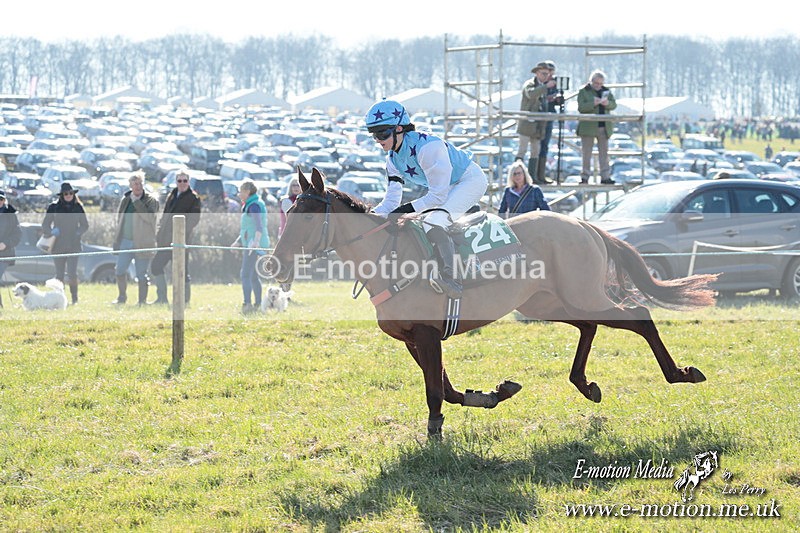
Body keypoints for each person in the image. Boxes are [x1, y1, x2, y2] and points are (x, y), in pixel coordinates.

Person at [365, 99, 487, 298]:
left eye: (382, 133)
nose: (378, 140)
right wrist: (369, 218)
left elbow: (437, 196)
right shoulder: (393, 160)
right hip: (448, 188)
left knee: (434, 221)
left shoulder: (427, 148)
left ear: (399, 129)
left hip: (469, 181)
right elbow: (391, 203)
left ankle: (452, 279)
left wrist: (404, 211)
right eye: (374, 135)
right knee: (421, 223)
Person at [150, 170, 202, 305]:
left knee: (182, 271)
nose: (182, 183)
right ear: (176, 182)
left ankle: (184, 301)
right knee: (156, 266)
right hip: (165, 240)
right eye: (180, 181)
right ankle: (162, 298)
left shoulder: (194, 198)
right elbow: (165, 215)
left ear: (188, 182)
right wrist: (160, 231)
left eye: (185, 181)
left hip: (181, 241)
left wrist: (180, 235)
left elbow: (194, 220)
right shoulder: (172, 194)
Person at [112, 173, 159, 305]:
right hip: (125, 241)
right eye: (135, 184)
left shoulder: (151, 201)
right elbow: (119, 220)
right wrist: (117, 240)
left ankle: (142, 302)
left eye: (140, 183)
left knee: (141, 274)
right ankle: (122, 298)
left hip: (143, 243)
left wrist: (137, 202)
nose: (138, 186)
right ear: (130, 186)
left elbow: (150, 219)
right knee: (119, 271)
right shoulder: (125, 200)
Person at [42, 182, 89, 305]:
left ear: (73, 194)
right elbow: (45, 225)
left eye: (71, 193)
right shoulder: (53, 207)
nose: (68, 195)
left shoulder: (78, 207)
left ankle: (74, 299)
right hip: (57, 244)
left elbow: (85, 225)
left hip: (74, 244)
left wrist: (78, 232)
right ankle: (59, 300)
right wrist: (52, 231)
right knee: (59, 274)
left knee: (72, 273)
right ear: (62, 195)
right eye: (66, 193)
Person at [232, 179, 269, 314]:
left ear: (247, 192)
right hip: (251, 242)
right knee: (253, 275)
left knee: (245, 274)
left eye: (240, 191)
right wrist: (238, 241)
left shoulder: (254, 206)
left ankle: (247, 304)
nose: (239, 194)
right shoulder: (252, 204)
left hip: (254, 244)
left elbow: (258, 225)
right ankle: (258, 303)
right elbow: (248, 228)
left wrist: (255, 242)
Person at [516, 61, 556, 184]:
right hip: (527, 125)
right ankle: (517, 176)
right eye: (543, 73)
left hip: (538, 126)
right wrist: (545, 87)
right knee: (522, 150)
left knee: (535, 151)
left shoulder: (543, 87)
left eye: (547, 74)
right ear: (537, 73)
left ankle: (533, 177)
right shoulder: (530, 84)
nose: (546, 76)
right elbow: (531, 94)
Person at [577, 69, 617, 184]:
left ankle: (605, 176)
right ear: (591, 82)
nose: (598, 86)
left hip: (603, 126)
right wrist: (593, 103)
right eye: (596, 83)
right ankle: (585, 177)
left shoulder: (607, 91)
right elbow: (581, 108)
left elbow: (614, 105)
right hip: (588, 127)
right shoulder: (584, 91)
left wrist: (607, 104)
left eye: (600, 83)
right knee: (586, 153)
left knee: (604, 154)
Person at [537, 60, 559, 184]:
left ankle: (542, 174)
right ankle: (535, 174)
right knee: (536, 146)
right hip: (538, 117)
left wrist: (556, 100)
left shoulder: (554, 83)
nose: (549, 75)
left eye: (551, 72)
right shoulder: (538, 83)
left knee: (545, 146)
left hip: (549, 115)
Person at [0, 190, 22, 307]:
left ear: (4, 200)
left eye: (1, 199)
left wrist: (5, 244)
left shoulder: (10, 214)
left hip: (5, 254)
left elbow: (17, 234)